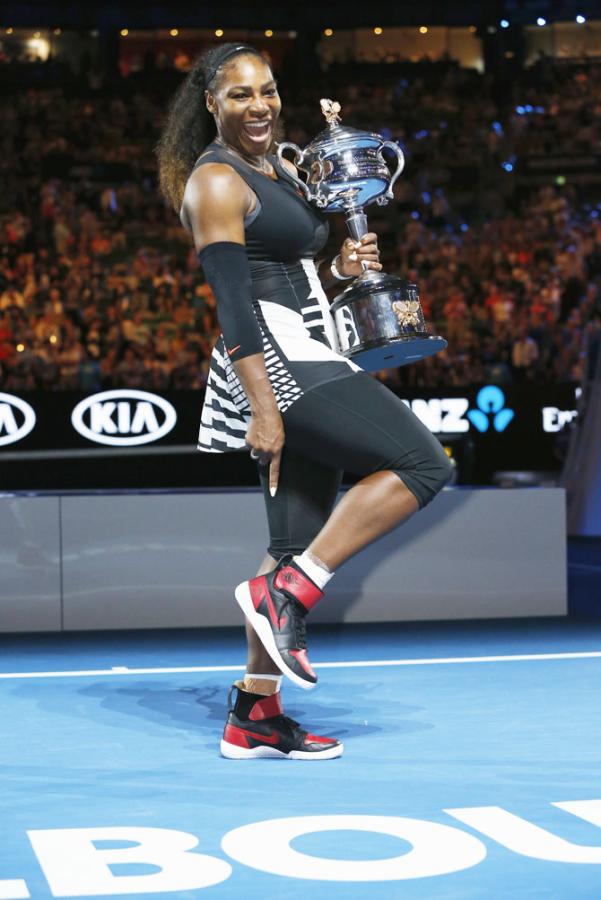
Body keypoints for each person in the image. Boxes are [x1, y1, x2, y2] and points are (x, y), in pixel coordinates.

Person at [157, 43, 453, 760]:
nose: (258, 105)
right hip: (273, 361)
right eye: (238, 96)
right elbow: (234, 306)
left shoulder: (277, 165)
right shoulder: (214, 183)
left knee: (291, 542)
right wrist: (262, 407)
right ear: (210, 105)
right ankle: (290, 592)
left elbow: (286, 260)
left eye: (266, 90)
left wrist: (339, 264)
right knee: (422, 463)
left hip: (312, 347)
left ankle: (253, 714)